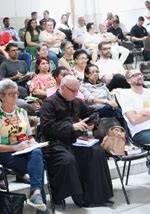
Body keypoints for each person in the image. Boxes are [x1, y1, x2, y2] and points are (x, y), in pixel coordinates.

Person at [40, 75, 113, 207]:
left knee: (97, 152)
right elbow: (46, 128)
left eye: (77, 91)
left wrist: (92, 124)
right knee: (68, 160)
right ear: (62, 87)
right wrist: (71, 126)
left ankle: (98, 196)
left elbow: (93, 113)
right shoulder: (49, 103)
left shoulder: (76, 101)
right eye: (73, 91)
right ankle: (79, 198)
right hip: (55, 143)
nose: (76, 93)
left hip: (75, 139)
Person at [0, 79, 46, 211]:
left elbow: (29, 135)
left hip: (24, 150)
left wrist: (32, 141)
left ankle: (36, 194)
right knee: (37, 167)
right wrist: (15, 147)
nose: (15, 96)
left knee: (36, 153)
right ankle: (38, 200)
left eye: (16, 93)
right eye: (11, 94)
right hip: (7, 154)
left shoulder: (22, 112)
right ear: (1, 96)